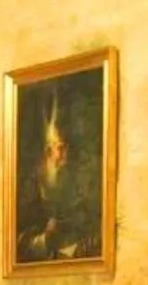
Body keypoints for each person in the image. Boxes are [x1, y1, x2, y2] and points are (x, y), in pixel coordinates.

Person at [16, 96, 101, 262]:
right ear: (47, 151)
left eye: (68, 147)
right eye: (59, 148)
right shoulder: (30, 189)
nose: (65, 157)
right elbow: (16, 242)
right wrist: (45, 238)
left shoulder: (82, 181)